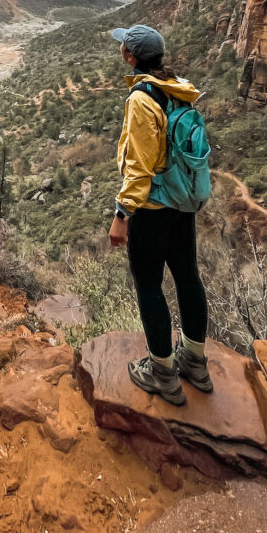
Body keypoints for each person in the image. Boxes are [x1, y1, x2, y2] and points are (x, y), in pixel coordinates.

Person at [108, 23, 212, 406]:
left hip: (151, 210)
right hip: (182, 205)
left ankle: (163, 372)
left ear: (129, 56)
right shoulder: (176, 88)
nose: (121, 51)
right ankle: (195, 362)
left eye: (123, 48)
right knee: (187, 277)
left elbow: (139, 166)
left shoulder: (141, 100)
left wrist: (122, 214)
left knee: (149, 285)